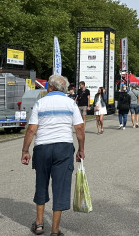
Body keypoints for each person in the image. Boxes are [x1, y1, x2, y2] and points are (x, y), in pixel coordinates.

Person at [21, 74, 85, 236]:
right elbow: (79, 129)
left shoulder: (40, 103)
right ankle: (55, 231)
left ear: (50, 87)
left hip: (42, 148)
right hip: (63, 148)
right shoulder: (71, 103)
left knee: (41, 183)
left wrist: (25, 150)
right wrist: (81, 149)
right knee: (61, 187)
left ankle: (40, 224)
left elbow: (31, 129)